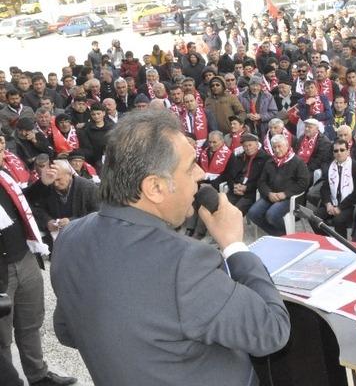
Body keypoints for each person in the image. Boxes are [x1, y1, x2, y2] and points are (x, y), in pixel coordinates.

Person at [50, 109, 289, 385]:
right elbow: (271, 330)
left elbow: (67, 330)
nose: (200, 174)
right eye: (189, 167)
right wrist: (234, 245)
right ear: (155, 188)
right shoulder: (185, 263)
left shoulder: (69, 238)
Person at [0, 147, 74, 386]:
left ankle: (38, 375)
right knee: (2, 336)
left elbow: (22, 203)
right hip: (1, 272)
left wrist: (43, 184)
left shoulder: (3, 174)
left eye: (1, 142)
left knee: (30, 323)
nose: (2, 148)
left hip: (24, 257)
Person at [247, 134, 311, 236]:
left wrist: (285, 194)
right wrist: (269, 193)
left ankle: (286, 234)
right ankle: (278, 234)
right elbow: (261, 182)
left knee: (272, 215)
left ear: (287, 146)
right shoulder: (270, 162)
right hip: (271, 196)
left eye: (279, 146)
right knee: (253, 213)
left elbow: (304, 183)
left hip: (289, 198)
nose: (276, 150)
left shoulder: (298, 162)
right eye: (274, 147)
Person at [315, 139, 356, 238]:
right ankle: (328, 241)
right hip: (332, 204)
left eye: (342, 150)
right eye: (336, 151)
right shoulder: (330, 166)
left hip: (350, 205)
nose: (339, 153)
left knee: (338, 220)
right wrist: (328, 204)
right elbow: (324, 189)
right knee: (314, 217)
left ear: (348, 151)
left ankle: (342, 246)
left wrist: (340, 207)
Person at [223, 134, 270, 214]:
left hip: (251, 193)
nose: (248, 148)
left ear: (257, 144)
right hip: (236, 190)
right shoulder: (239, 157)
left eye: (250, 145)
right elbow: (228, 174)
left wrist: (247, 188)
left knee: (235, 212)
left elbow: (263, 180)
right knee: (222, 207)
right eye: (245, 146)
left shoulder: (265, 159)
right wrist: (234, 185)